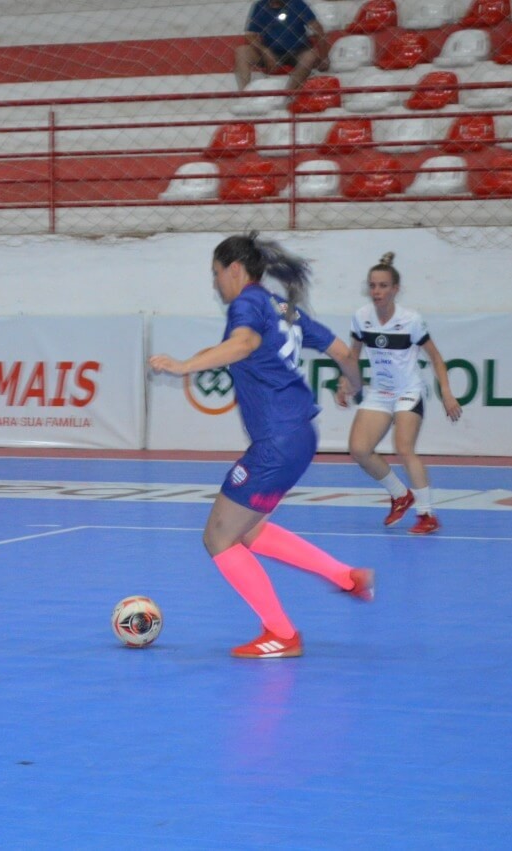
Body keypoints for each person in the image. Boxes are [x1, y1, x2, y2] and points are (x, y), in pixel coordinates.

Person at [149, 231, 372, 660]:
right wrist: (354, 385)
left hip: (277, 439)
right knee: (246, 529)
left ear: (235, 269)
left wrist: (185, 366)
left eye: (216, 273)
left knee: (218, 536)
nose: (215, 283)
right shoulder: (282, 306)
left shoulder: (248, 303)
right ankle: (345, 577)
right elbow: (343, 351)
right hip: (300, 435)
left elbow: (245, 343)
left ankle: (281, 633)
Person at [335, 252, 462, 536]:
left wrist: (447, 392)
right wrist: (346, 382)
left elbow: (436, 358)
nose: (376, 291)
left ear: (395, 289)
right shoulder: (361, 318)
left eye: (382, 286)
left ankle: (427, 514)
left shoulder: (411, 320)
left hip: (408, 391)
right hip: (379, 392)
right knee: (358, 449)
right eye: (372, 285)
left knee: (404, 447)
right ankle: (399, 494)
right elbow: (352, 355)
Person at [234, 0, 330, 92]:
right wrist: (265, 51)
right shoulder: (261, 5)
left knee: (310, 56)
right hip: (271, 51)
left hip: (298, 51)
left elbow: (318, 29)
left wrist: (324, 57)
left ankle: (288, 94)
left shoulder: (297, 3)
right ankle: (245, 94)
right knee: (242, 51)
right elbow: (250, 35)